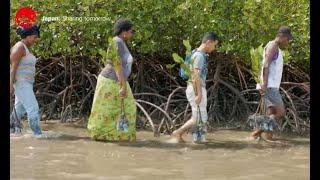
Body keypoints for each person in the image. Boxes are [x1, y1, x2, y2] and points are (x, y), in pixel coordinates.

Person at [87, 19, 136, 141]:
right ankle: (112, 136)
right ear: (124, 32)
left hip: (115, 81)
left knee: (122, 109)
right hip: (112, 82)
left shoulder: (120, 42)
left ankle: (116, 136)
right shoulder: (117, 42)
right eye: (131, 31)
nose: (132, 34)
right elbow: (117, 65)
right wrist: (122, 86)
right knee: (112, 110)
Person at [169, 32, 219, 143]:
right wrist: (199, 94)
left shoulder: (195, 53)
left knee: (197, 117)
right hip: (196, 89)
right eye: (214, 45)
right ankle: (193, 140)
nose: (214, 48)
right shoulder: (199, 56)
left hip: (194, 88)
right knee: (200, 117)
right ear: (208, 42)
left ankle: (182, 134)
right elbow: (195, 75)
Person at [250, 26, 292, 141]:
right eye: (287, 39)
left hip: (270, 85)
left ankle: (270, 137)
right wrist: (265, 84)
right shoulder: (273, 46)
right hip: (269, 86)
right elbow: (266, 65)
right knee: (280, 112)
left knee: (271, 113)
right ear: (282, 36)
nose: (287, 42)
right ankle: (256, 133)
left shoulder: (275, 47)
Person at [10, 24, 43, 137]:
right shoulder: (19, 47)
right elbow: (13, 68)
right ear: (28, 36)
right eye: (34, 37)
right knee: (33, 108)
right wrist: (10, 85)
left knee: (19, 110)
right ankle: (38, 135)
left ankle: (12, 132)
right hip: (21, 83)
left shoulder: (25, 48)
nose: (35, 40)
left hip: (26, 83)